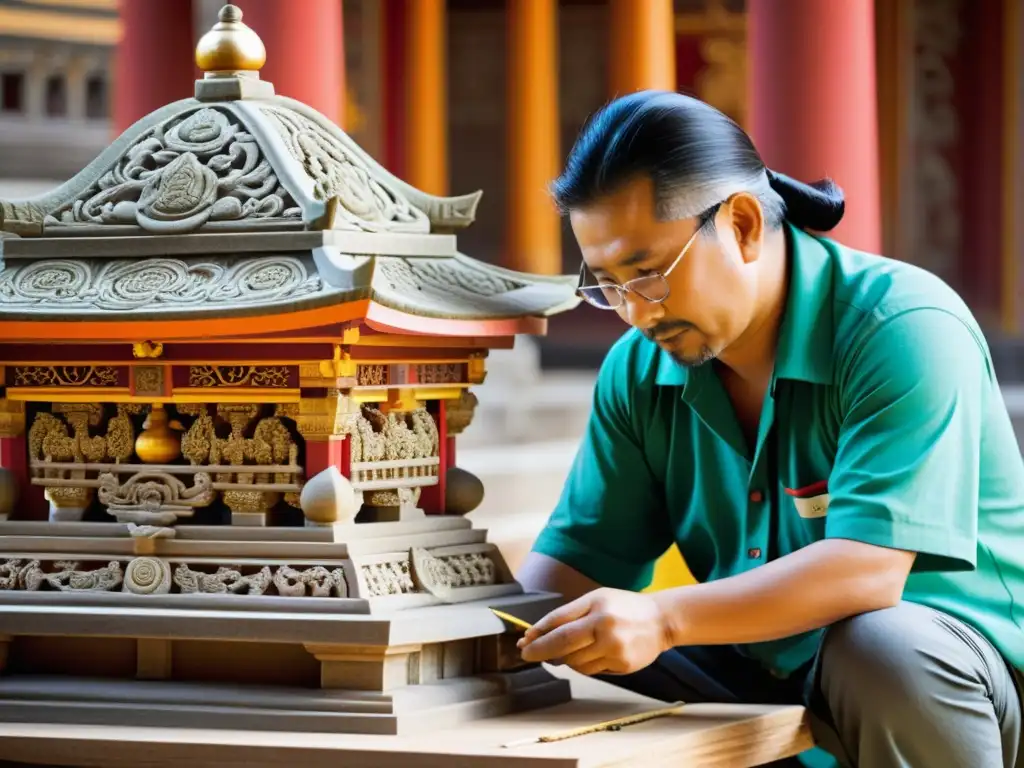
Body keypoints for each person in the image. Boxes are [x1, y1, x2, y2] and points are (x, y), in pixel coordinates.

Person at [514, 89, 1024, 768]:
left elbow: (865, 575)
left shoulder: (902, 328)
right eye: (607, 286)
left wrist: (663, 618)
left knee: (881, 648)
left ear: (746, 225)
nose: (634, 314)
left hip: (956, 684)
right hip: (764, 665)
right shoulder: (638, 371)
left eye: (648, 276)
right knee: (581, 642)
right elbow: (571, 573)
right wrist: (461, 627)